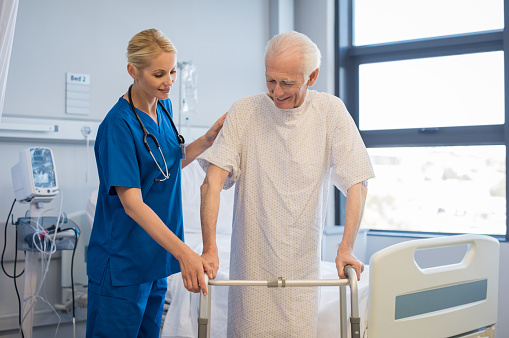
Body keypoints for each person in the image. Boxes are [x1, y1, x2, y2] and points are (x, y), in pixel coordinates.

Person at [199, 30, 375, 337]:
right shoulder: (245, 111)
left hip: (302, 267)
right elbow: (210, 185)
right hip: (250, 264)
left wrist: (346, 247)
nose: (276, 91)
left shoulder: (330, 112)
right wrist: (209, 248)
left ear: (312, 76)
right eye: (270, 80)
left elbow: (357, 181)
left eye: (287, 83)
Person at [86, 28, 226, 337]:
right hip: (122, 264)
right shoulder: (118, 126)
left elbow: (166, 165)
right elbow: (132, 204)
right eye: (159, 73)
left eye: (173, 71)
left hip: (155, 259)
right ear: (133, 71)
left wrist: (206, 140)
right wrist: (185, 252)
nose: (169, 81)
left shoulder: (164, 107)